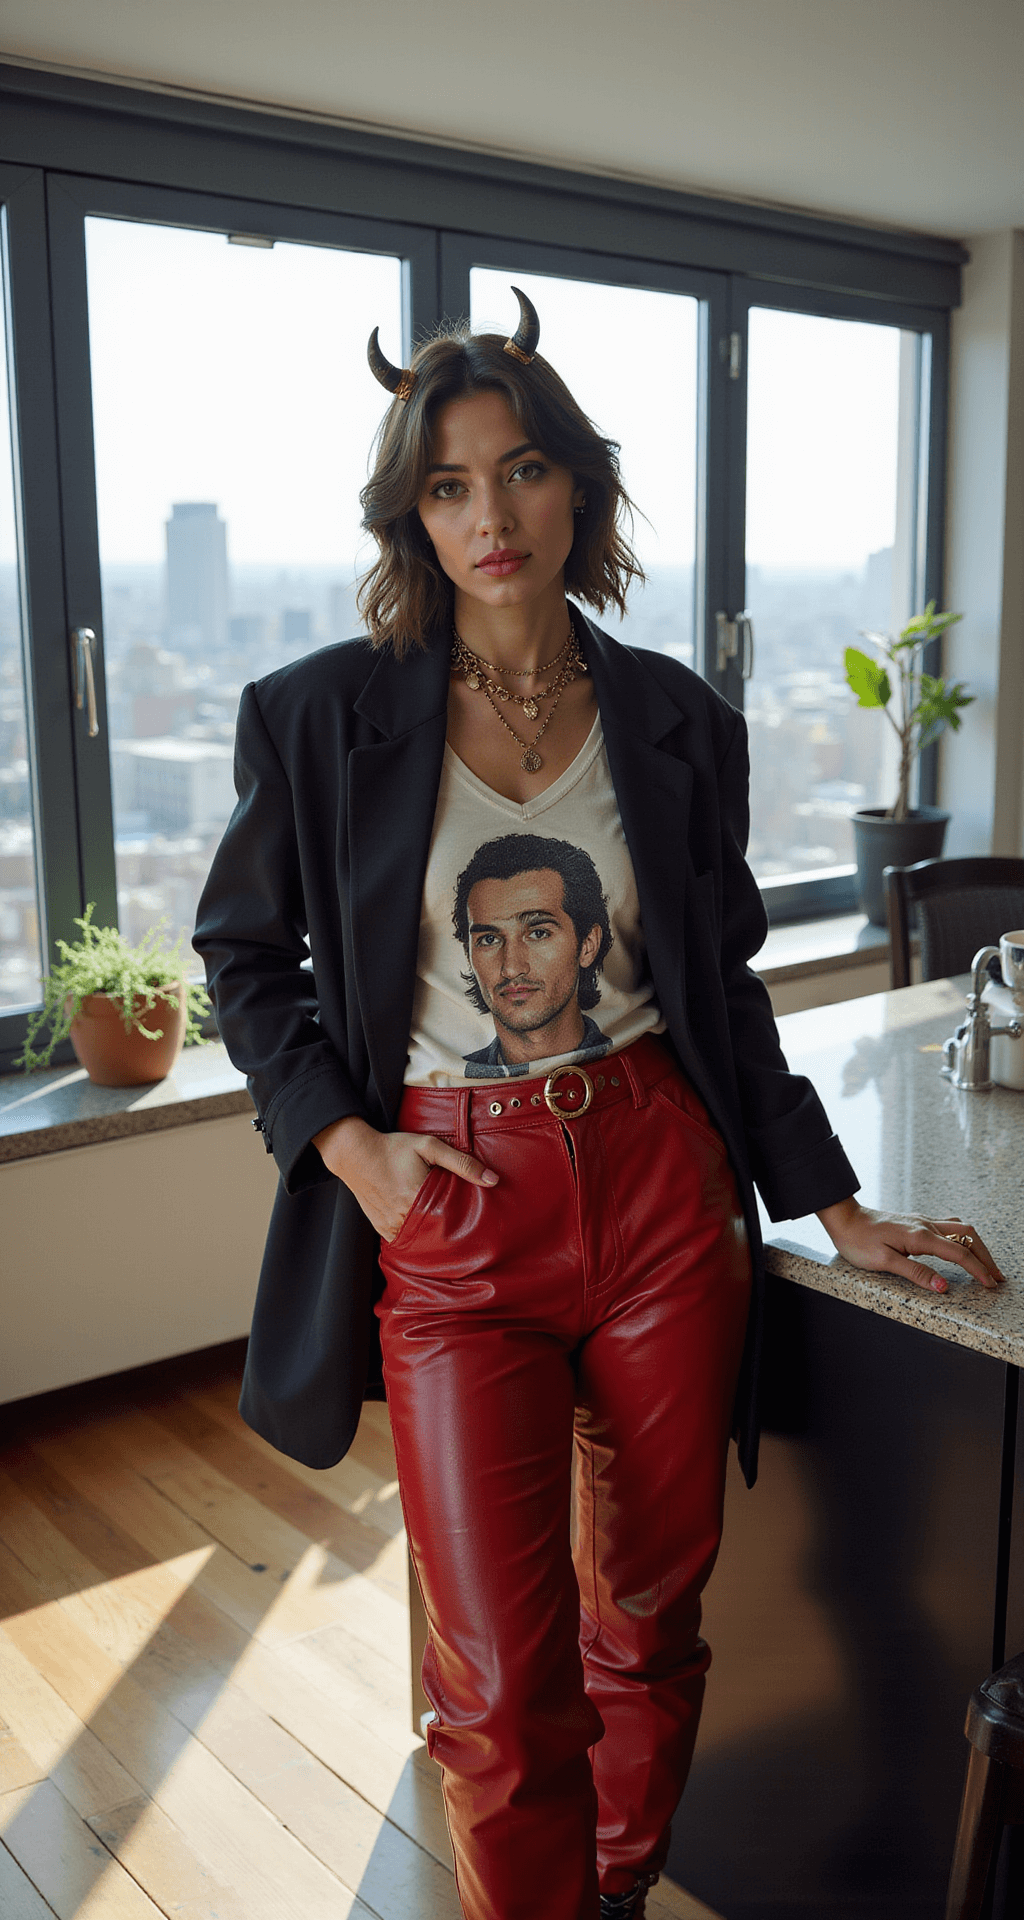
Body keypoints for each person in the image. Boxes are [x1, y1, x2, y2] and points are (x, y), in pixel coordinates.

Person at [193, 287, 1005, 1920]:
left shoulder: (675, 723)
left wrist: (833, 1204)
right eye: (448, 485)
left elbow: (726, 990)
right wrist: (353, 1153)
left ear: (580, 487)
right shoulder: (316, 717)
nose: (491, 515)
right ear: (409, 514)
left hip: (655, 1190)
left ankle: (619, 1891)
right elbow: (241, 952)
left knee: (651, 1619)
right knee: (497, 1678)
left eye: (523, 471)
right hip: (452, 1212)